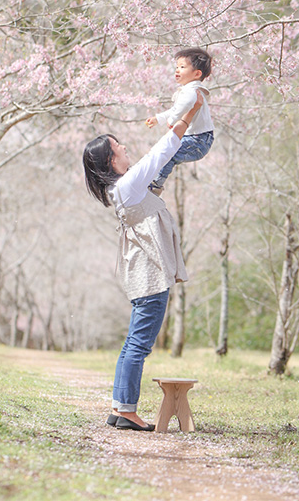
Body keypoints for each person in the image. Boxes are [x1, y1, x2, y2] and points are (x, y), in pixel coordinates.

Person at [82, 93, 203, 432]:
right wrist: (190, 112)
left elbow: (158, 165)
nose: (124, 148)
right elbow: (161, 152)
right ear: (110, 159)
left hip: (143, 270)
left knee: (134, 341)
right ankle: (127, 411)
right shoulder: (128, 184)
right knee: (139, 343)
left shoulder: (123, 186)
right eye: (117, 146)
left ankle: (120, 407)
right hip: (149, 273)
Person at [145, 47, 214, 194]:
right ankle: (153, 179)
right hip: (197, 139)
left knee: (169, 153)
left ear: (197, 74)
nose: (177, 70)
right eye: (176, 67)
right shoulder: (188, 90)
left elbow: (181, 108)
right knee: (165, 151)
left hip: (199, 141)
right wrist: (159, 118)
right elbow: (177, 109)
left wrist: (172, 120)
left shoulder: (191, 91)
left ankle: (156, 184)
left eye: (182, 67)